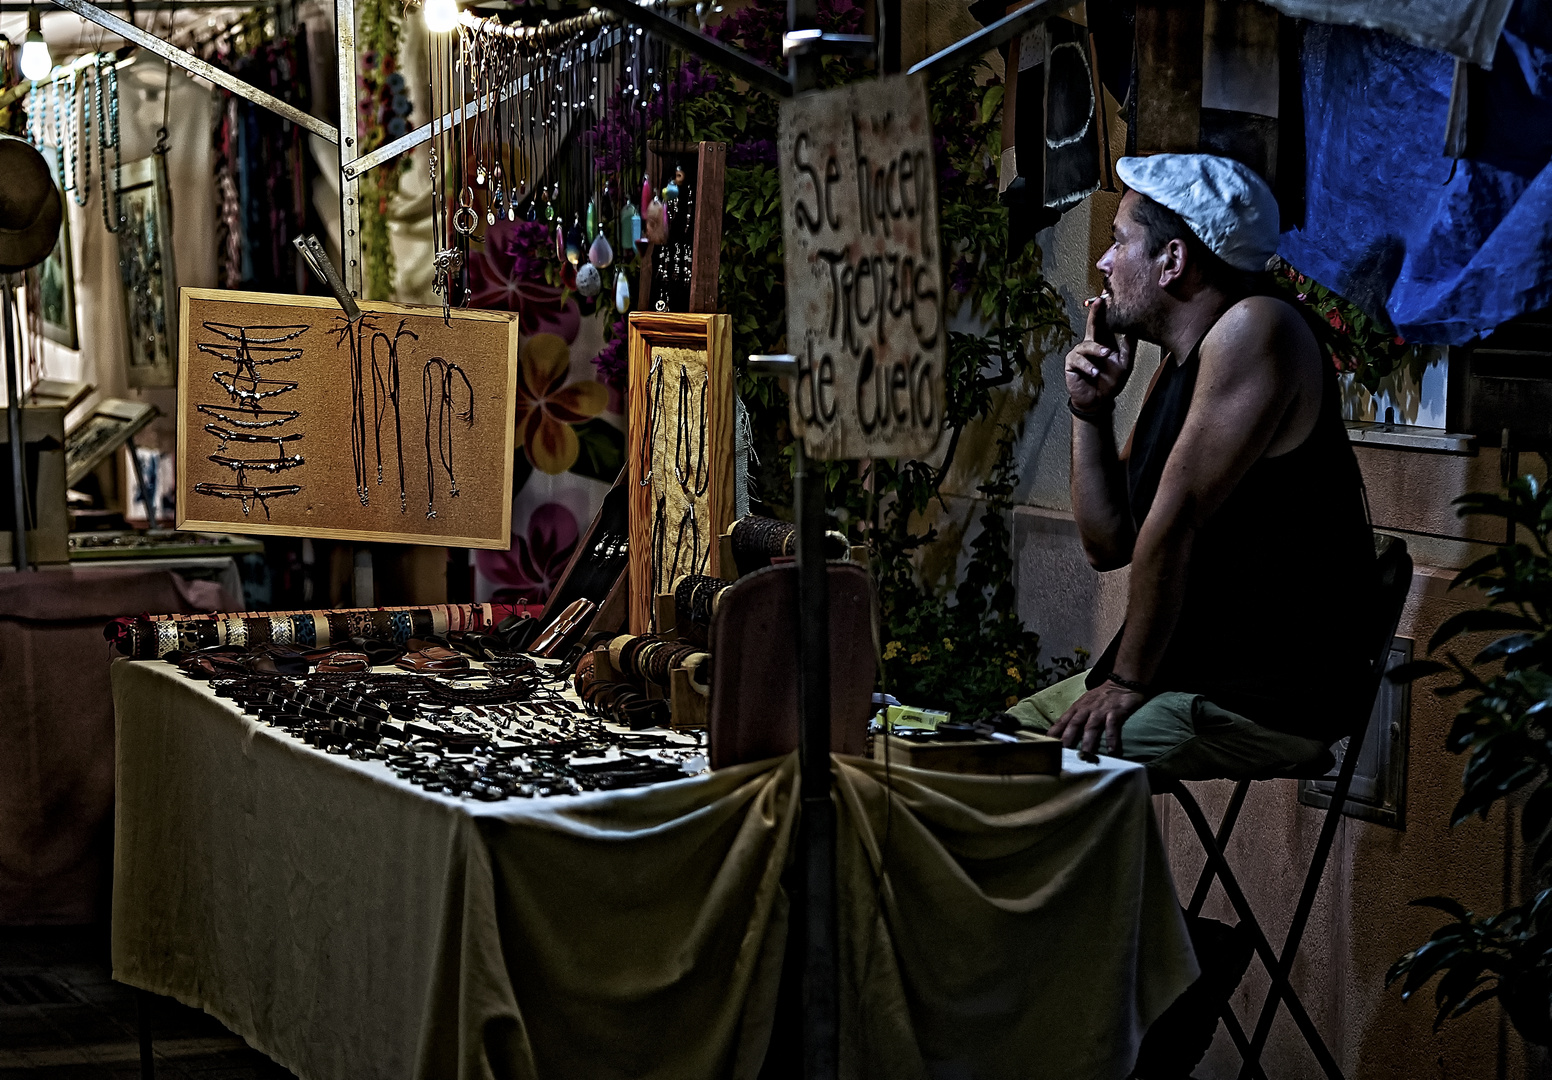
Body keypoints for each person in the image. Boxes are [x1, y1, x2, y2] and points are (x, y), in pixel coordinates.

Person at [1008, 152, 1379, 786]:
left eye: (1119, 242)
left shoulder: (1257, 328)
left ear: (1172, 261)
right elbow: (1107, 543)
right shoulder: (1181, 359)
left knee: (1043, 774)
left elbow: (1173, 521)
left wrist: (1127, 681)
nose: (1102, 261)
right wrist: (1090, 414)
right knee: (980, 749)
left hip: (1252, 694)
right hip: (1181, 675)